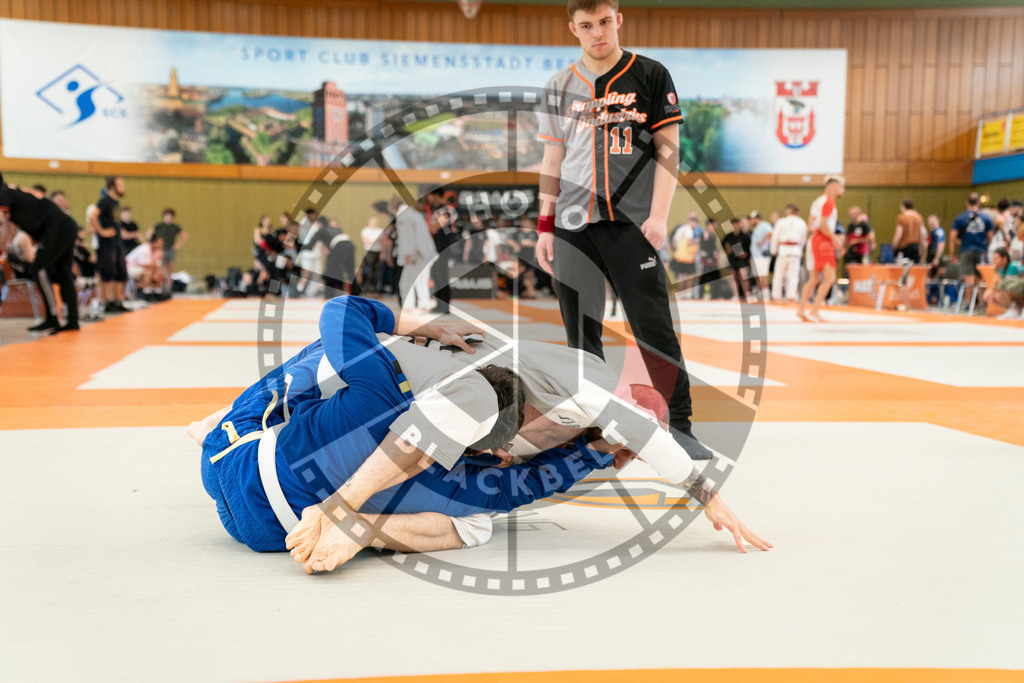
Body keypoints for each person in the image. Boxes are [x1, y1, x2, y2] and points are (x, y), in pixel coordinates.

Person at [189, 295, 768, 572]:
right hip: (268, 510)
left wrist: (411, 323)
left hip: (235, 464)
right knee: (477, 510)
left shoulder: (388, 395)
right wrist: (354, 524)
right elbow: (604, 443)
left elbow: (343, 312)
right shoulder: (481, 472)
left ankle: (228, 422)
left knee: (332, 369)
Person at [533, 0, 714, 461]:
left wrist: (659, 217)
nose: (598, 33)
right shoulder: (558, 86)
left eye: (605, 22)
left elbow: (668, 152)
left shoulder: (650, 75)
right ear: (573, 28)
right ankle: (590, 431)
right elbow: (552, 162)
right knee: (581, 337)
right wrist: (545, 226)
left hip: (632, 224)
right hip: (573, 226)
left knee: (654, 328)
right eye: (587, 25)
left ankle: (681, 427)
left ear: (619, 20)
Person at [0, 172, 80, 333]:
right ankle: (72, 320)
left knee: (39, 269)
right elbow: (9, 226)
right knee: (63, 272)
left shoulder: (3, 193)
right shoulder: (11, 191)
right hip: (65, 226)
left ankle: (52, 318)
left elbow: (2, 224)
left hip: (57, 229)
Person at [798, 176, 845, 322]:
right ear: (833, 186)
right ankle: (815, 310)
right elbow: (824, 225)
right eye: (841, 186)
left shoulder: (817, 201)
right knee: (829, 277)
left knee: (814, 278)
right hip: (822, 240)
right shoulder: (829, 202)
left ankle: (802, 309)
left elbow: (810, 222)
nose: (843, 190)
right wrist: (837, 243)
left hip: (813, 239)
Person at [89, 176, 129, 313]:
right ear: (113, 186)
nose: (123, 187)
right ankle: (106, 302)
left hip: (117, 242)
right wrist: (101, 231)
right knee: (107, 273)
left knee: (120, 272)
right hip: (107, 244)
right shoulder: (105, 201)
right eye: (120, 184)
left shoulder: (116, 202)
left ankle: (117, 301)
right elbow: (92, 216)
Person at [393, 196, 437, 310]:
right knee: (421, 281)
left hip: (417, 254)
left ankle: (408, 306)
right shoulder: (414, 214)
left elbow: (407, 237)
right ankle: (424, 303)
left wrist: (408, 254)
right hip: (426, 253)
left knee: (406, 283)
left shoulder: (404, 216)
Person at [950, 192, 994, 299]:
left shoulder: (960, 218)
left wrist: (952, 254)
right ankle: (981, 304)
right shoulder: (986, 218)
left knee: (968, 278)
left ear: (966, 203)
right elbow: (990, 237)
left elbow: (952, 237)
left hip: (966, 251)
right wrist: (987, 249)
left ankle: (970, 305)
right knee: (981, 278)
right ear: (978, 202)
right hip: (981, 251)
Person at [424, 187, 459, 314]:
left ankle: (445, 306)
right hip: (436, 248)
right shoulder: (434, 211)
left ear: (436, 195)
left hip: (445, 248)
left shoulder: (446, 210)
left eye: (430, 196)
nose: (428, 199)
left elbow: (435, 227)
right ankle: (439, 304)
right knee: (436, 276)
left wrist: (429, 225)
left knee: (442, 276)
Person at [770, 204, 807, 303]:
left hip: (783, 250)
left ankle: (776, 296)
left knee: (779, 275)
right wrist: (801, 248)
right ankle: (791, 296)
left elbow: (775, 237)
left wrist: (773, 250)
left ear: (788, 212)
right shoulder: (802, 223)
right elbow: (803, 239)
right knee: (793, 276)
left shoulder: (781, 222)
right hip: (795, 250)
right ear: (797, 212)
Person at [149, 208, 187, 292]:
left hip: (170, 250)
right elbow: (150, 233)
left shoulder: (175, 227)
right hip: (161, 250)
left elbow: (184, 236)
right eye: (167, 216)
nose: (168, 218)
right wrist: (154, 243)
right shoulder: (159, 225)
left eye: (170, 216)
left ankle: (168, 288)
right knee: (159, 269)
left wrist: (177, 245)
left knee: (169, 270)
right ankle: (159, 287)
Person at [983, 247, 1024, 319]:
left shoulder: (1013, 266)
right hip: (1017, 290)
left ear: (1004, 258)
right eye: (993, 259)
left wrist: (995, 272)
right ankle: (1013, 311)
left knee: (1001, 294)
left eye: (996, 259)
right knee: (990, 295)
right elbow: (994, 287)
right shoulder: (1001, 269)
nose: (994, 262)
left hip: (1021, 290)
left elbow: (1005, 286)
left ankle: (1016, 310)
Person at [125, 235, 167, 301]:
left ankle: (158, 293)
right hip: (131, 267)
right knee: (148, 272)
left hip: (143, 268)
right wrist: (156, 260)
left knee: (158, 273)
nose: (161, 246)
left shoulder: (157, 251)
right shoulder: (145, 249)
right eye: (159, 244)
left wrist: (157, 274)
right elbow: (145, 265)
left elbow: (157, 266)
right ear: (153, 243)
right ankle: (147, 294)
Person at [722, 217, 752, 301]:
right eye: (733, 225)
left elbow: (749, 248)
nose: (735, 227)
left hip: (742, 260)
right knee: (733, 277)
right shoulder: (729, 236)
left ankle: (747, 295)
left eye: (736, 225)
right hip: (732, 259)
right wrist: (727, 249)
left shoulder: (744, 236)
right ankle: (736, 295)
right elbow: (723, 242)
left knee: (743, 277)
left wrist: (745, 254)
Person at [892, 199, 925, 264]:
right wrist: (921, 249)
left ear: (903, 206)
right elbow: (922, 234)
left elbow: (899, 234)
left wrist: (893, 246)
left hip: (904, 248)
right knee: (915, 269)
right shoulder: (919, 217)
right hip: (915, 247)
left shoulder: (901, 217)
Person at [749, 212, 773, 301]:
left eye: (752, 219)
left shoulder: (764, 225)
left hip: (762, 255)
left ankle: (766, 296)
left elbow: (771, 233)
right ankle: (760, 295)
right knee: (758, 276)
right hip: (755, 256)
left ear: (757, 218)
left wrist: (763, 241)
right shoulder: (756, 228)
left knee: (763, 276)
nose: (751, 221)